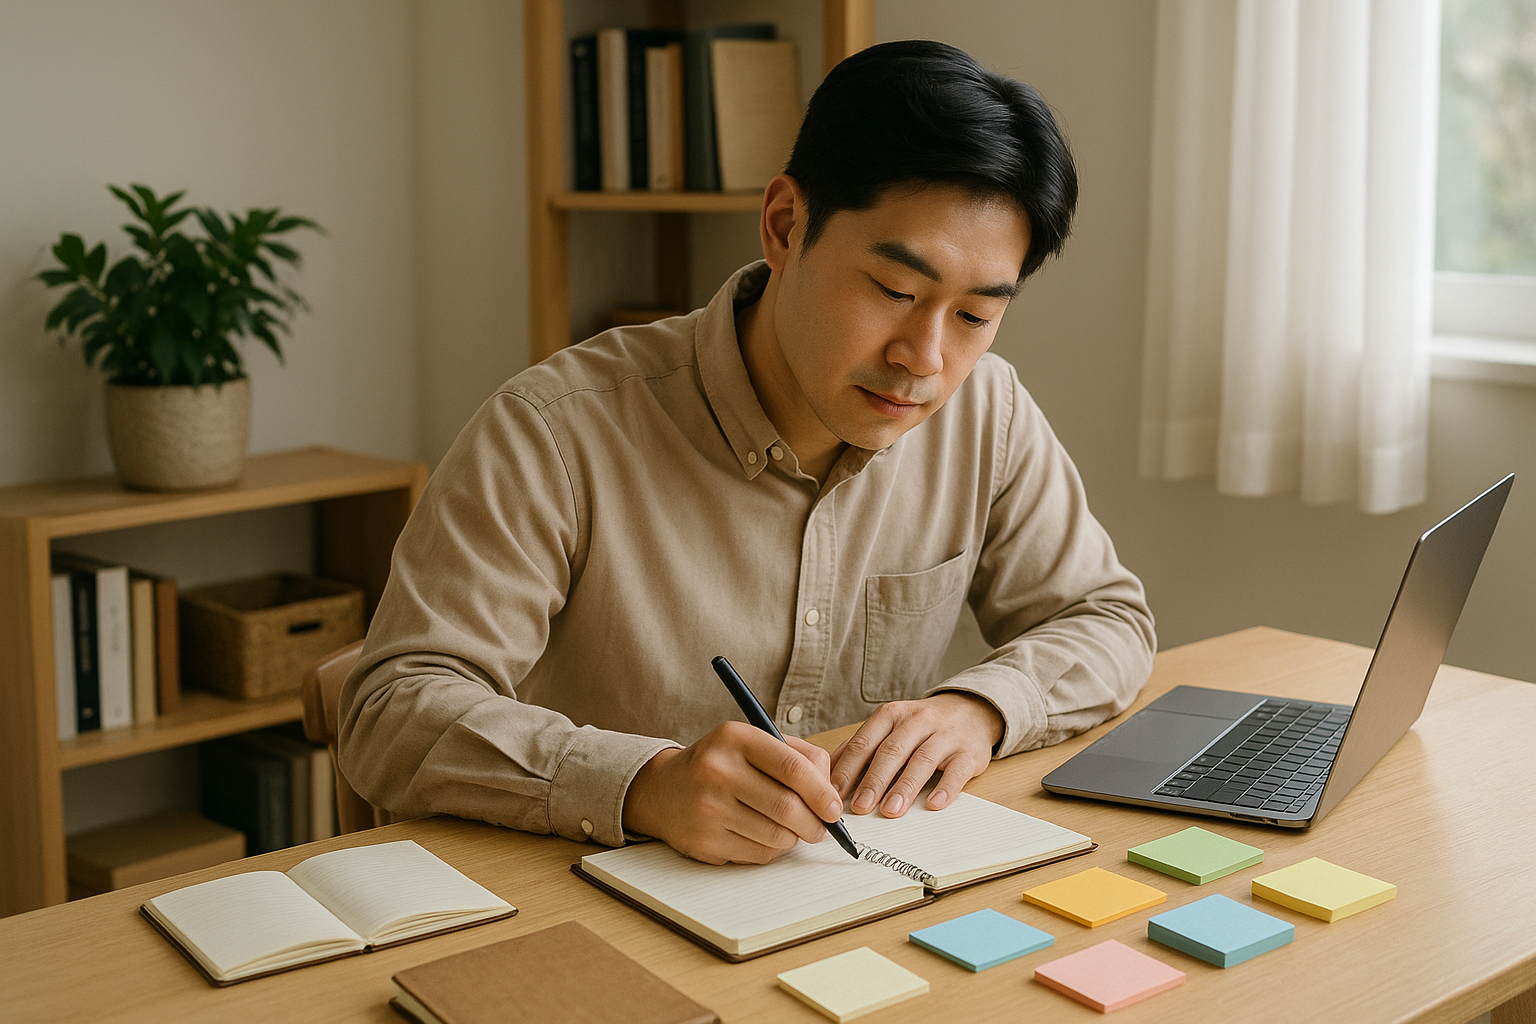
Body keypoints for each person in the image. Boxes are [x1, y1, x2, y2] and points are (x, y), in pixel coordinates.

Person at [339, 39, 1155, 867]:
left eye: (975, 317)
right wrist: (643, 783)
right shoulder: (554, 432)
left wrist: (983, 707)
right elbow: (391, 712)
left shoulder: (988, 412)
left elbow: (1108, 620)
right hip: (598, 905)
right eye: (897, 292)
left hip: (850, 898)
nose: (925, 358)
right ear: (784, 226)